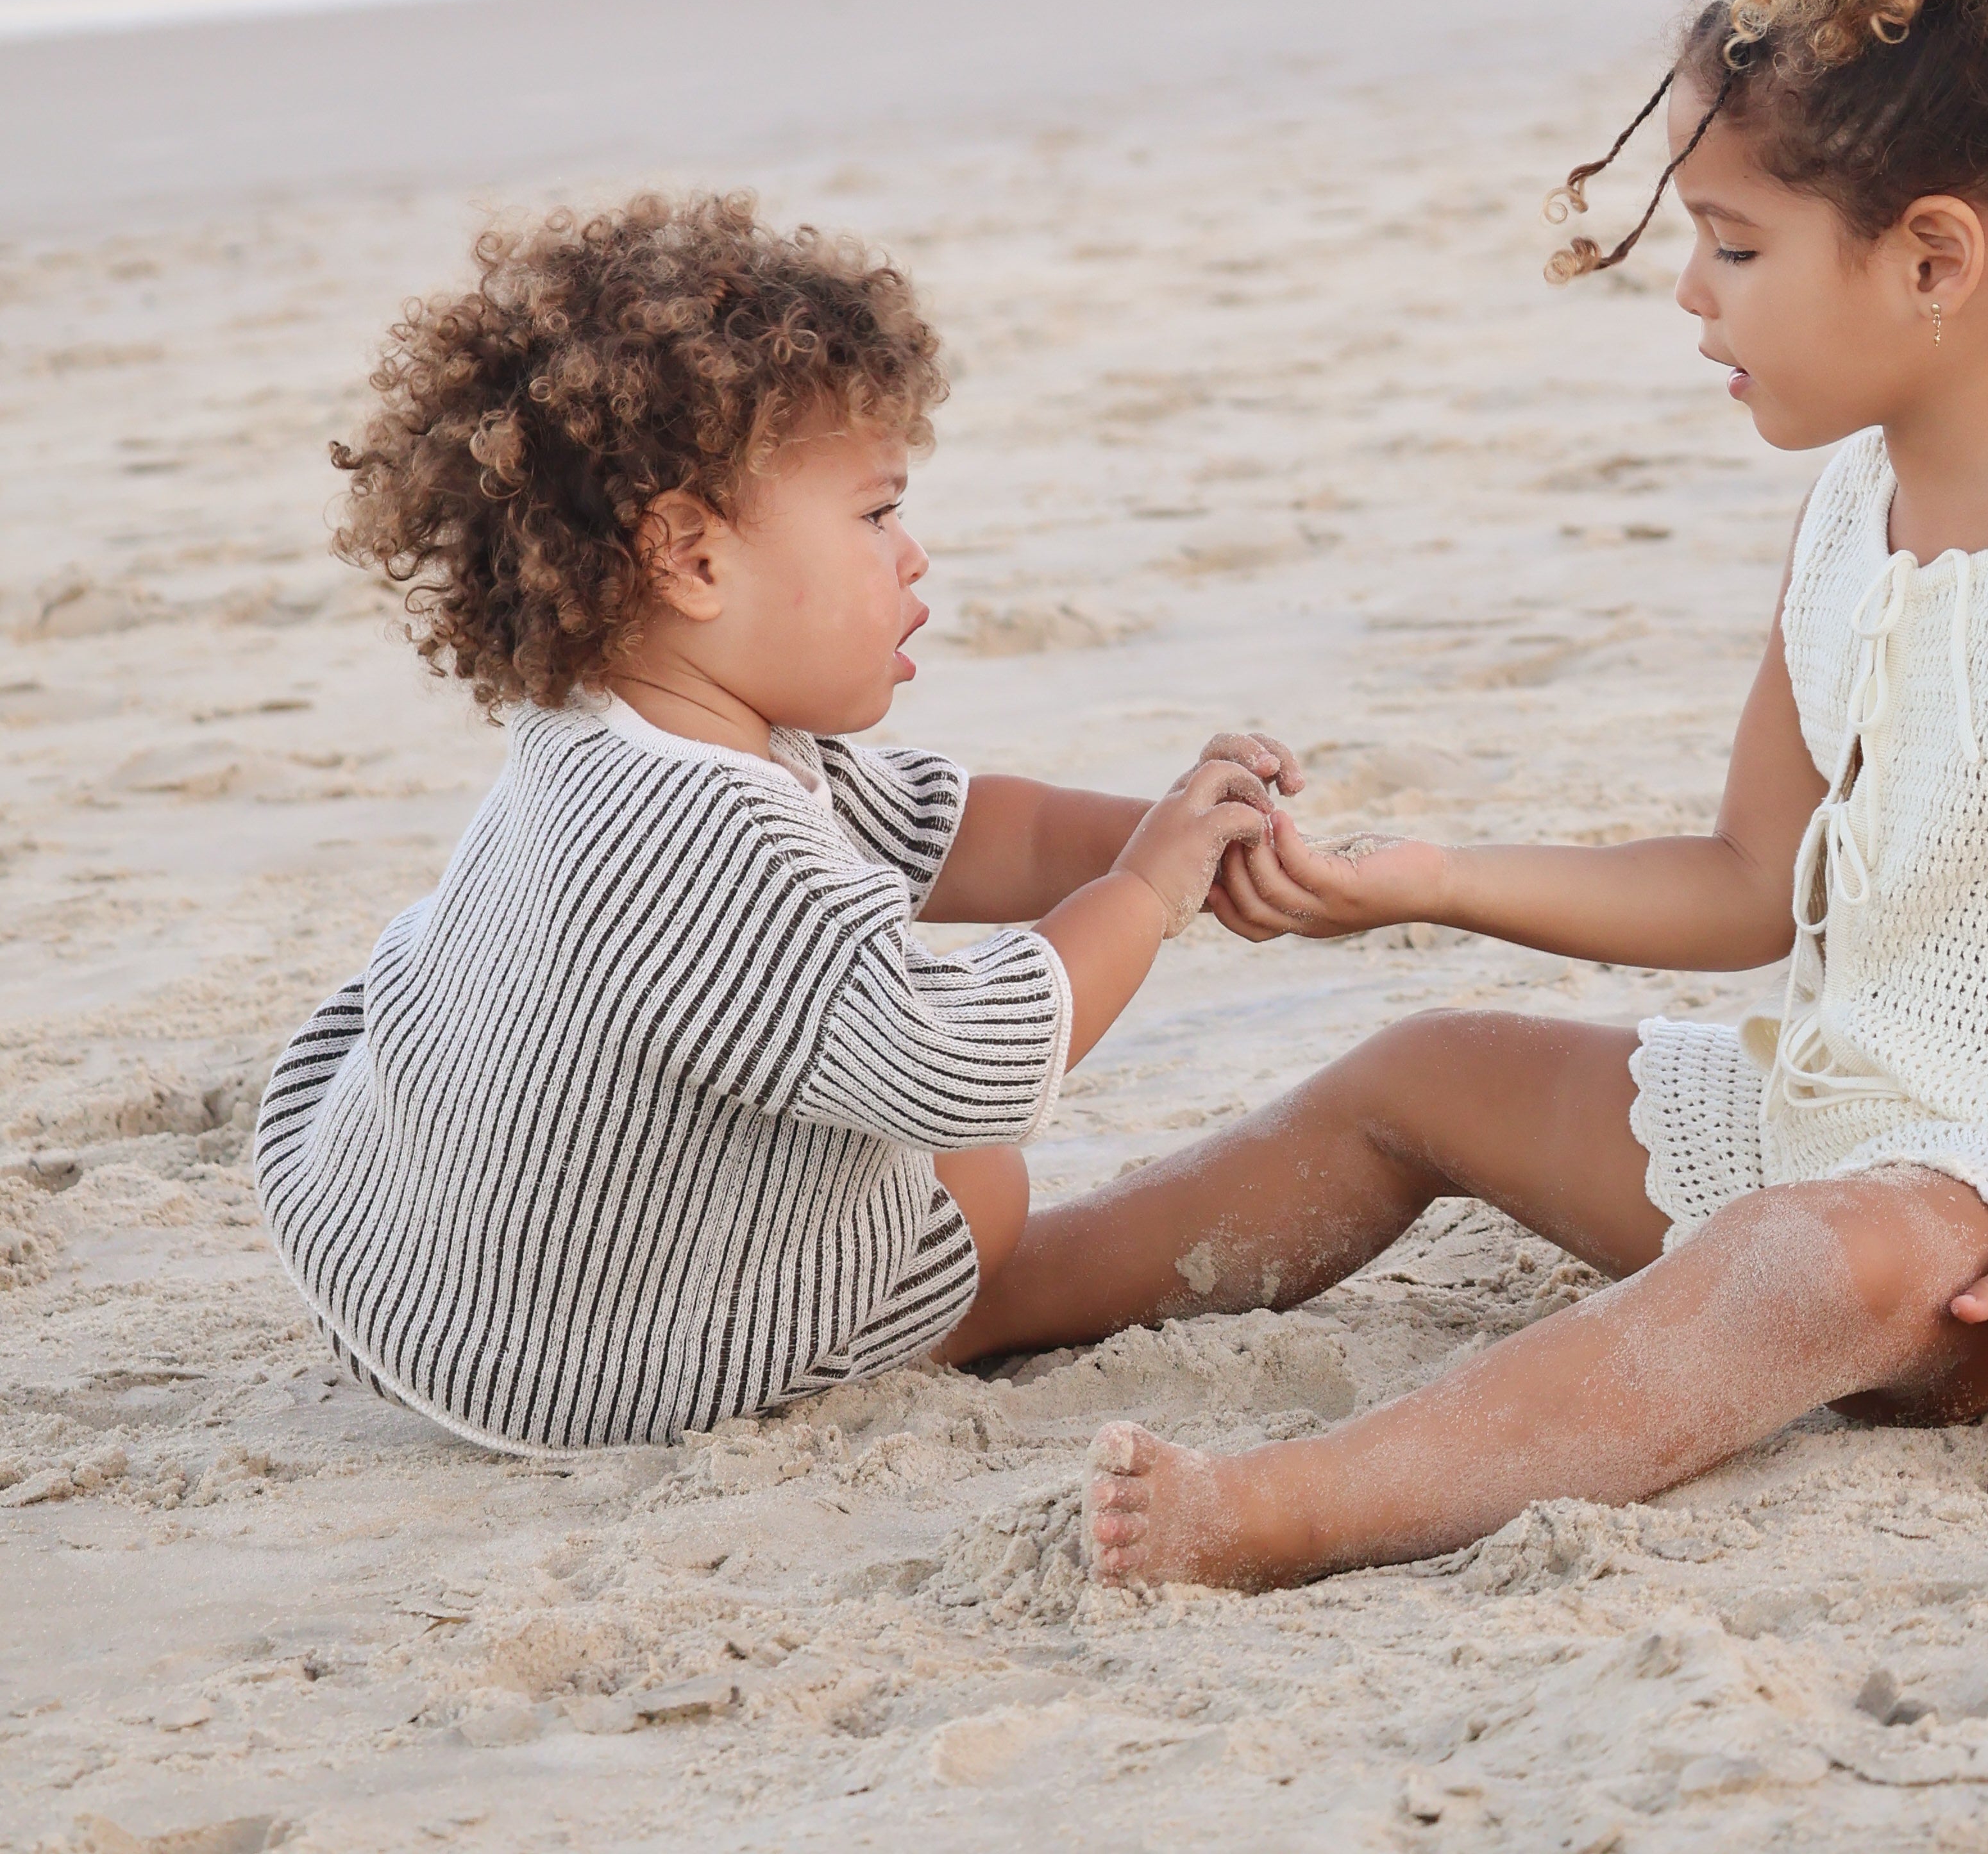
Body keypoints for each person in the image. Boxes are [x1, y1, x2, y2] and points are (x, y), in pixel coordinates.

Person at [947, 0, 1988, 1592]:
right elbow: (1749, 882)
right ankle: (975, 1298)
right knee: (1428, 1067)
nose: (1692, 295)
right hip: (1828, 1110)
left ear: (1933, 261)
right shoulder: (1856, 507)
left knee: (1809, 1267)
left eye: (1737, 245)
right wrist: (1423, 888)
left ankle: (1287, 1511)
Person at [253, 193, 1289, 1454]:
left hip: (403, 1244)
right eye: (873, 515)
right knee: (979, 1179)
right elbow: (952, 1063)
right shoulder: (712, 850)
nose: (911, 557)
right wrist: (1143, 898)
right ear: (688, 559)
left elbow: (954, 830)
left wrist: (1168, 829)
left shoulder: (609, 725)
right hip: (568, 1361)